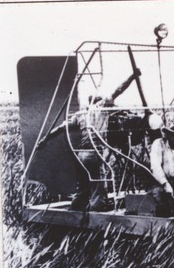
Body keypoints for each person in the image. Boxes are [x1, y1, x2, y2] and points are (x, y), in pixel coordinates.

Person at [37, 69, 141, 211]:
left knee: (83, 186)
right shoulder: (102, 108)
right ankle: (95, 215)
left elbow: (61, 128)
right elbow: (118, 90)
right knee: (99, 186)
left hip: (80, 155)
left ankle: (75, 211)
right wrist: (132, 76)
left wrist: (44, 140)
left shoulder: (80, 115)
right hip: (95, 153)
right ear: (100, 102)